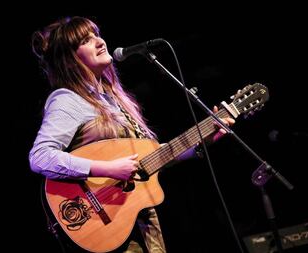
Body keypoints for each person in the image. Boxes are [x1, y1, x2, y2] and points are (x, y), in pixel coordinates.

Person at [29, 16, 235, 253]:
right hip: (104, 221)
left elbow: (149, 160)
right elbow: (40, 157)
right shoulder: (68, 100)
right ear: (70, 60)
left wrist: (201, 143)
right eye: (86, 40)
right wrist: (107, 169)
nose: (99, 41)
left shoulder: (115, 101)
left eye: (96, 34)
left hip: (138, 220)